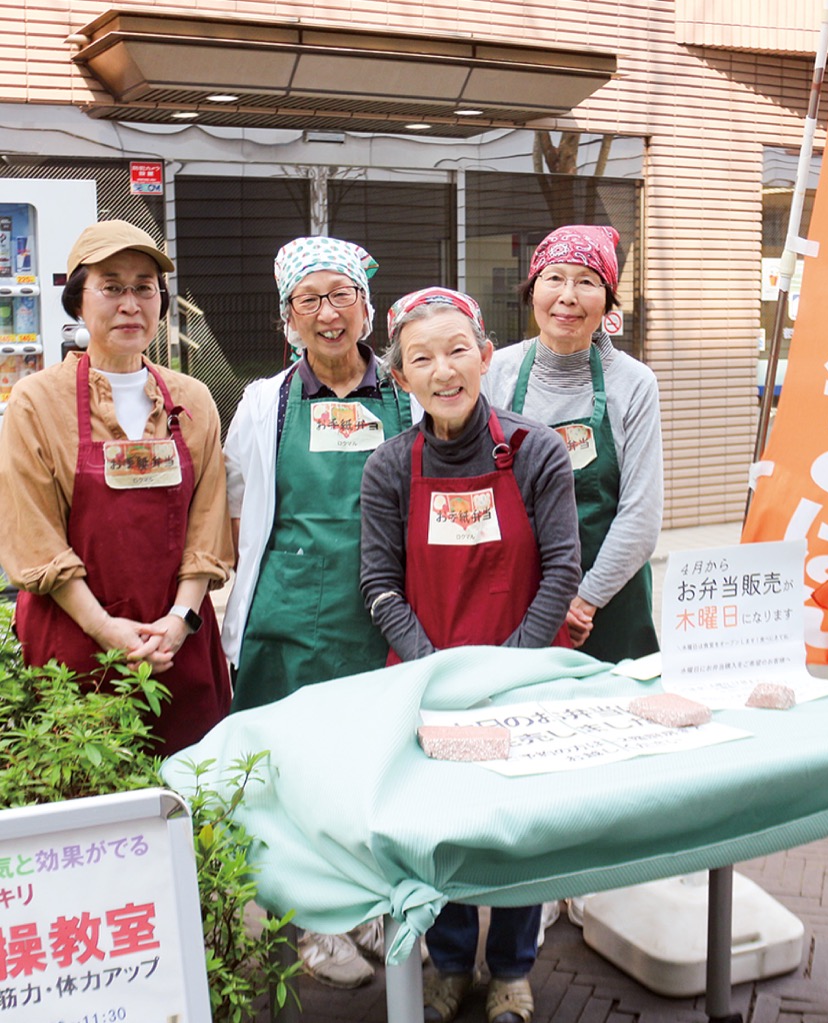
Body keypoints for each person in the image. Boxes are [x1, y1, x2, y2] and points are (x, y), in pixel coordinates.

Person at [360, 287, 580, 1023]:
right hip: (426, 685)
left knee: (521, 830)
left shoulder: (537, 450)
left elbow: (562, 571)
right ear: (401, 378)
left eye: (457, 349)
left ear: (486, 357)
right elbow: (379, 584)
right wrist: (439, 674)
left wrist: (505, 669)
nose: (443, 369)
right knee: (442, 831)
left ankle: (513, 969)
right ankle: (451, 961)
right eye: (421, 357)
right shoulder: (390, 468)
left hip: (522, 680)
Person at [220, 235, 412, 988]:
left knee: (370, 768)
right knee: (293, 774)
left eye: (342, 296)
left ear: (368, 308)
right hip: (290, 611)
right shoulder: (265, 402)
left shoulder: (403, 395)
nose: (328, 314)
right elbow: (238, 503)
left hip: (382, 610)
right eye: (310, 300)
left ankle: (368, 905)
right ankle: (313, 924)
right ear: (288, 320)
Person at [0, 220, 232, 756]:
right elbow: (32, 533)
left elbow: (208, 526)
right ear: (78, 300)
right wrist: (106, 630)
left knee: (194, 808)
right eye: (112, 286)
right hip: (75, 643)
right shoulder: (38, 401)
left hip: (178, 644)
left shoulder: (191, 399)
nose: (130, 303)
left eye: (144, 287)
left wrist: (178, 620)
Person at [485, 224, 662, 662]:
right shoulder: (496, 372)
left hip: (608, 603)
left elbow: (640, 514)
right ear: (532, 291)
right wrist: (547, 606)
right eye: (554, 278)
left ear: (607, 300)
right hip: (516, 598)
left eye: (586, 281)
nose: (568, 296)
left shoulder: (634, 383)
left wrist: (583, 601)